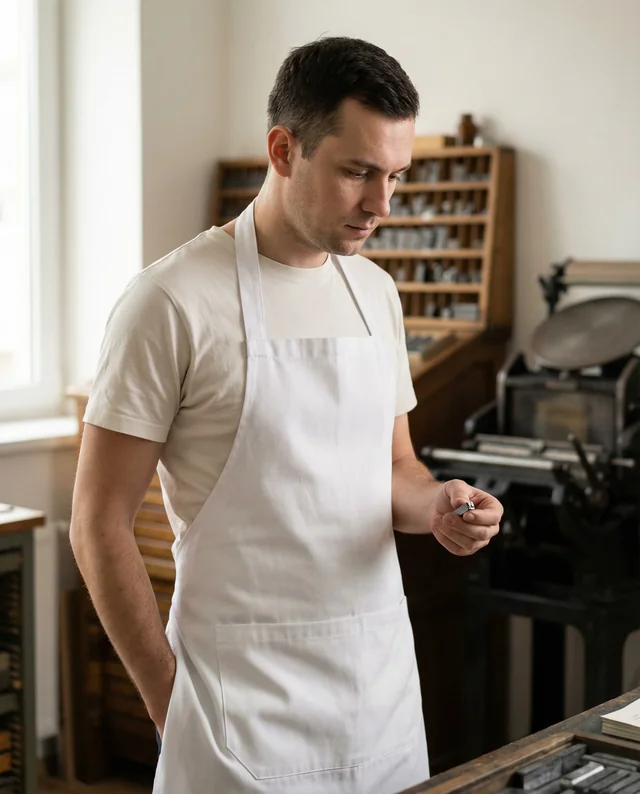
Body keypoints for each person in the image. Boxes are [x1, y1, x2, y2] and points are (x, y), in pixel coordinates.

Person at [69, 35, 503, 794]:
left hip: (377, 699)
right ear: (283, 149)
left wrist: (437, 504)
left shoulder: (375, 296)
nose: (382, 205)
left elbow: (393, 468)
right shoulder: (170, 302)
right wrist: (171, 707)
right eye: (358, 172)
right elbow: (96, 523)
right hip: (236, 714)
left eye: (395, 176)